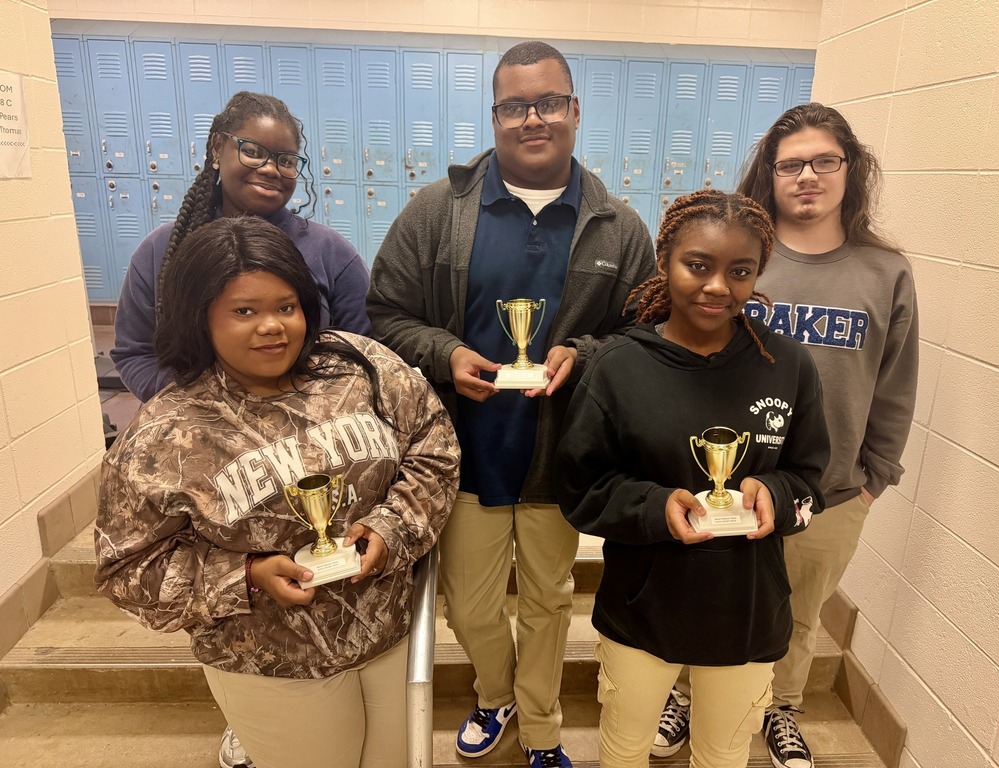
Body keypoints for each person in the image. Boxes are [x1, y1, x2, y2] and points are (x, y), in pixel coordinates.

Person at [366, 40, 656, 768]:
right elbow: (386, 312)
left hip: (561, 454)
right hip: (464, 452)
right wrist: (445, 354)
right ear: (495, 116)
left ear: (574, 111)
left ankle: (543, 725)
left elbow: (645, 333)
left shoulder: (619, 229)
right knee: (469, 604)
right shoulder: (438, 210)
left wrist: (584, 354)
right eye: (515, 106)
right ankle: (494, 697)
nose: (533, 118)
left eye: (548, 102)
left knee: (551, 600)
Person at [94, 216, 459, 768]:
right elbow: (127, 568)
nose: (272, 326)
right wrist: (244, 575)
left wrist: (392, 526)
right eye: (245, 311)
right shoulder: (166, 432)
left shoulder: (360, 368)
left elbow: (434, 446)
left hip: (386, 635)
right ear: (201, 317)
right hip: (270, 663)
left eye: (286, 307)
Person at [652, 104, 919, 768]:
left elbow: (895, 381)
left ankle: (782, 708)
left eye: (824, 161)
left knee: (801, 612)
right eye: (791, 163)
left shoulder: (884, 274)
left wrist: (874, 478)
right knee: (711, 596)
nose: (808, 176)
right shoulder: (743, 260)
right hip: (727, 485)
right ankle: (686, 694)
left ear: (849, 171)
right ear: (768, 175)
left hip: (829, 492)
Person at [555, 188, 830, 768]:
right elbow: (582, 489)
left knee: (724, 754)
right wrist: (656, 507)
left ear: (758, 275)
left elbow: (810, 479)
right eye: (698, 266)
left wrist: (775, 494)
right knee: (625, 749)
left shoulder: (787, 365)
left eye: (740, 271)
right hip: (643, 607)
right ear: (664, 263)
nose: (717, 287)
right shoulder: (618, 367)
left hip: (748, 610)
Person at [111, 90, 370, 404]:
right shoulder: (161, 250)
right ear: (218, 149)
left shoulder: (331, 253)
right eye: (253, 151)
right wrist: (200, 406)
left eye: (285, 161)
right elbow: (136, 354)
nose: (270, 169)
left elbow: (362, 351)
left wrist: (303, 404)